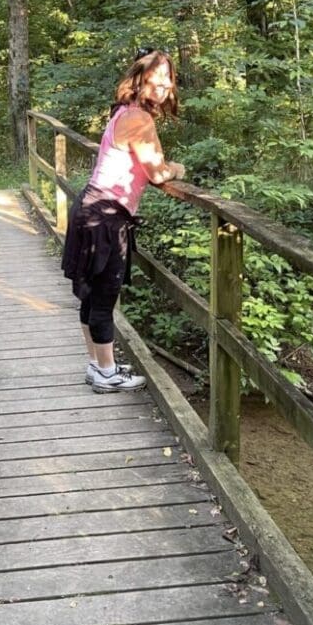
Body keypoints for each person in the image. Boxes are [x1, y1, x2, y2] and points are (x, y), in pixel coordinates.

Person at [62, 47, 185, 392]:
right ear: (139, 80)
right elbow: (158, 172)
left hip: (92, 209)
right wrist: (177, 168)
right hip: (105, 217)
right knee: (103, 297)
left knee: (92, 296)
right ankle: (106, 373)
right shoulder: (139, 119)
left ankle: (98, 365)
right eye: (155, 79)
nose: (162, 86)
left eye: (167, 80)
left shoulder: (125, 113)